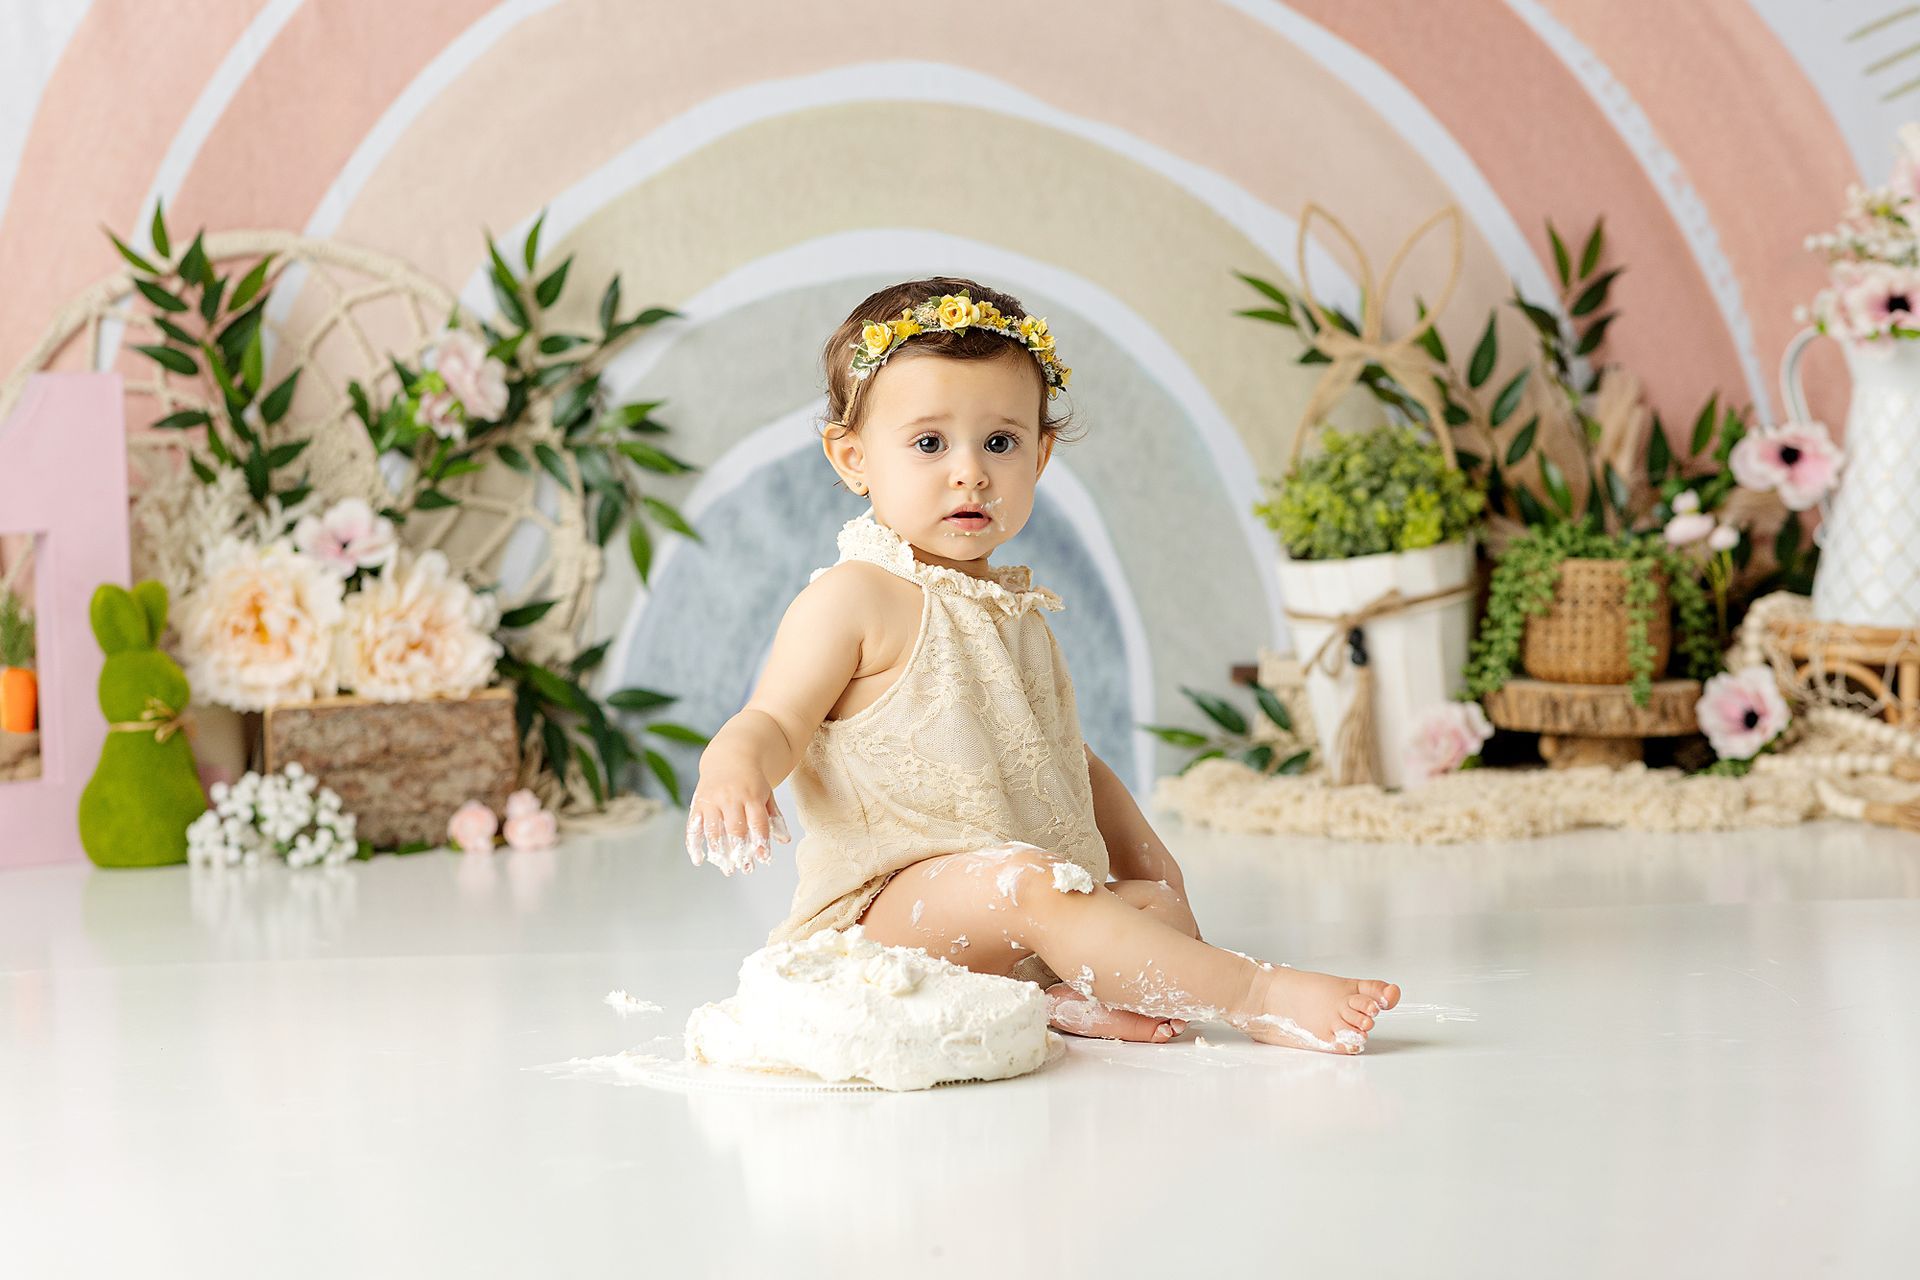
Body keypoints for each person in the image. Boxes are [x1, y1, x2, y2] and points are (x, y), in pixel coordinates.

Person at [685, 277, 1397, 1052]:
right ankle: (1258, 994)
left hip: (1018, 903)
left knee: (1150, 903)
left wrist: (1147, 864)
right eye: (929, 443)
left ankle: (1065, 997)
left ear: (1040, 454)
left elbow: (1062, 758)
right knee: (1026, 880)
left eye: (1000, 442)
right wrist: (734, 766)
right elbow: (774, 719)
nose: (970, 472)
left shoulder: (1013, 612)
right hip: (887, 918)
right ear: (853, 458)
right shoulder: (857, 597)